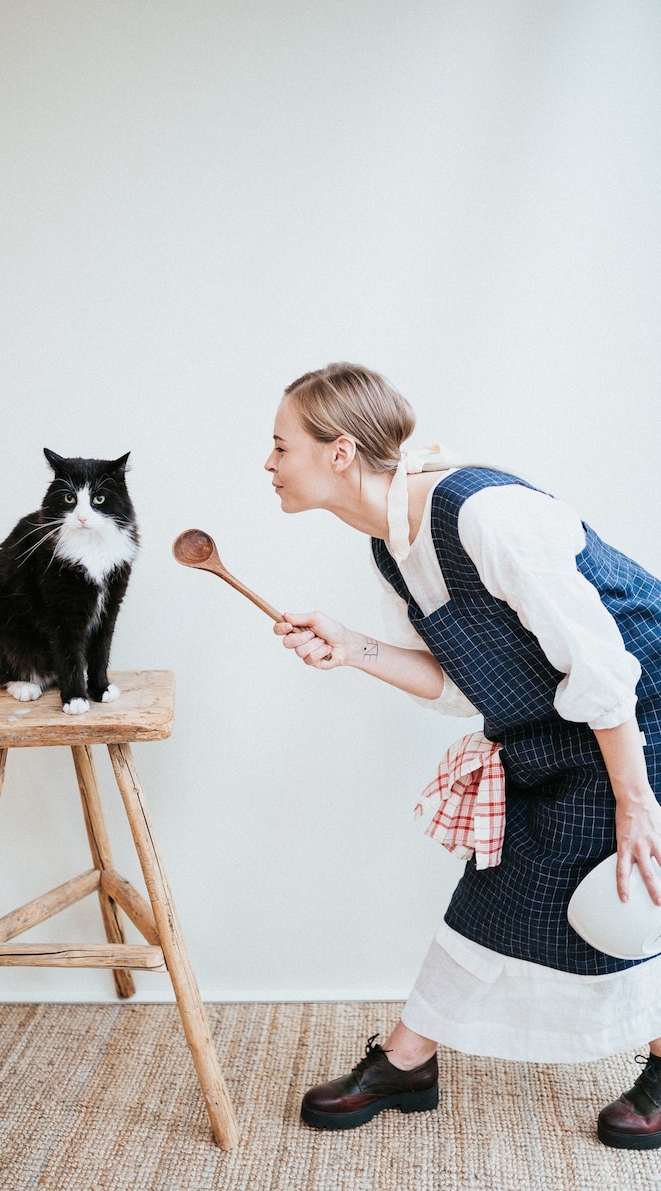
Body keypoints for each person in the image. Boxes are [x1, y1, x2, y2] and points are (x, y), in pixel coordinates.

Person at [264, 362, 661, 1150]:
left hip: (641, 714)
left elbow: (600, 662)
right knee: (502, 884)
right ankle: (407, 1062)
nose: (268, 463)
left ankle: (413, 1061)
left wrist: (634, 795)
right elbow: (455, 678)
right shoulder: (392, 547)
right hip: (559, 726)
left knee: (631, 889)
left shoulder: (485, 514)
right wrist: (352, 647)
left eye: (280, 445)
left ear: (340, 452)